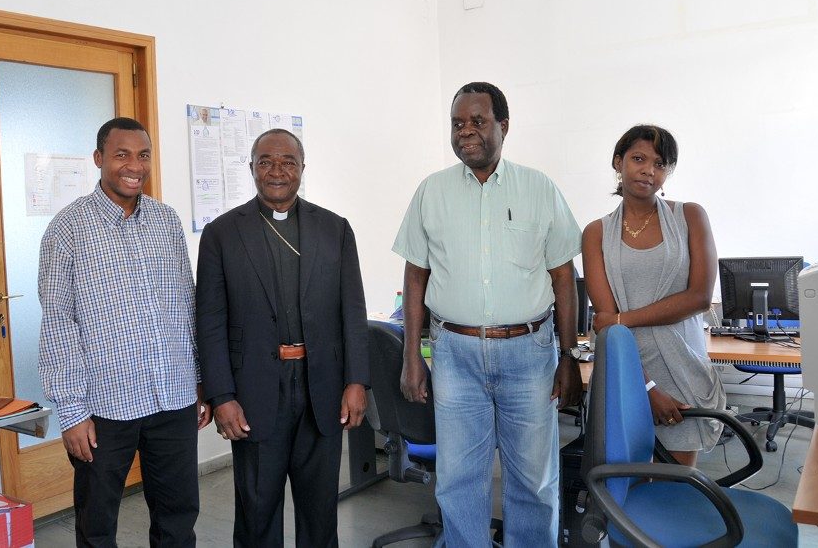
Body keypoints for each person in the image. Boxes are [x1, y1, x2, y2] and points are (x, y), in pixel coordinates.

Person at [393, 82, 583, 547]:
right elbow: (415, 277)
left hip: (529, 352)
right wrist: (411, 356)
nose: (466, 133)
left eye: (477, 122)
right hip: (454, 353)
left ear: (504, 125)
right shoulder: (431, 191)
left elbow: (563, 277)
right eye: (458, 124)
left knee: (534, 480)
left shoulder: (539, 188)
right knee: (458, 480)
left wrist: (568, 354)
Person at [38, 117, 210, 547]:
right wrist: (72, 410)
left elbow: (186, 307)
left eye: (143, 155)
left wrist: (201, 381)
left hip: (172, 395)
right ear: (99, 159)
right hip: (103, 407)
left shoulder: (166, 222)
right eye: (121, 155)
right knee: (97, 526)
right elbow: (58, 323)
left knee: (178, 517)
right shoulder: (67, 229)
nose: (134, 165)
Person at [197, 128, 369, 547]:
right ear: (252, 168)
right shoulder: (222, 233)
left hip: (321, 388)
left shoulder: (335, 230)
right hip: (254, 392)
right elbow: (210, 321)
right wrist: (221, 396)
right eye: (266, 162)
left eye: (288, 162)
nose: (277, 171)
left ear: (302, 169)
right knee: (257, 513)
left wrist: (357, 381)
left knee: (320, 512)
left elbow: (353, 311)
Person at [581, 124, 725, 466]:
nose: (648, 170)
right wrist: (645, 388)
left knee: (674, 491)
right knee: (624, 490)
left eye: (660, 164)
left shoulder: (690, 216)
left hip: (681, 371)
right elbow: (607, 326)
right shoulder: (596, 233)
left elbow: (699, 298)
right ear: (618, 162)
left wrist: (621, 318)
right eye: (638, 158)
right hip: (625, 370)